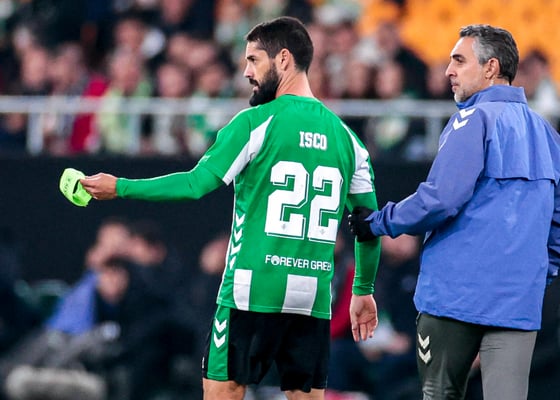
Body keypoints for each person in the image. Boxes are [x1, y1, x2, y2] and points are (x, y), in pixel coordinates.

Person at [79, 16, 381, 400]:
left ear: (283, 59)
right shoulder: (348, 140)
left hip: (251, 290)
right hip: (312, 296)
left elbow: (194, 185)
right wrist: (363, 290)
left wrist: (120, 186)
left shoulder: (254, 123)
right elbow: (367, 225)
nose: (246, 71)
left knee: (223, 392)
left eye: (253, 60)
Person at [348, 24, 560, 400]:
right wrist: (534, 276)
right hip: (517, 301)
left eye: (459, 61)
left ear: (491, 67)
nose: (449, 71)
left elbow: (441, 199)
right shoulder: (548, 135)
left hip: (454, 298)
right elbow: (557, 226)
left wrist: (377, 222)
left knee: (439, 394)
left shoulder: (473, 119)